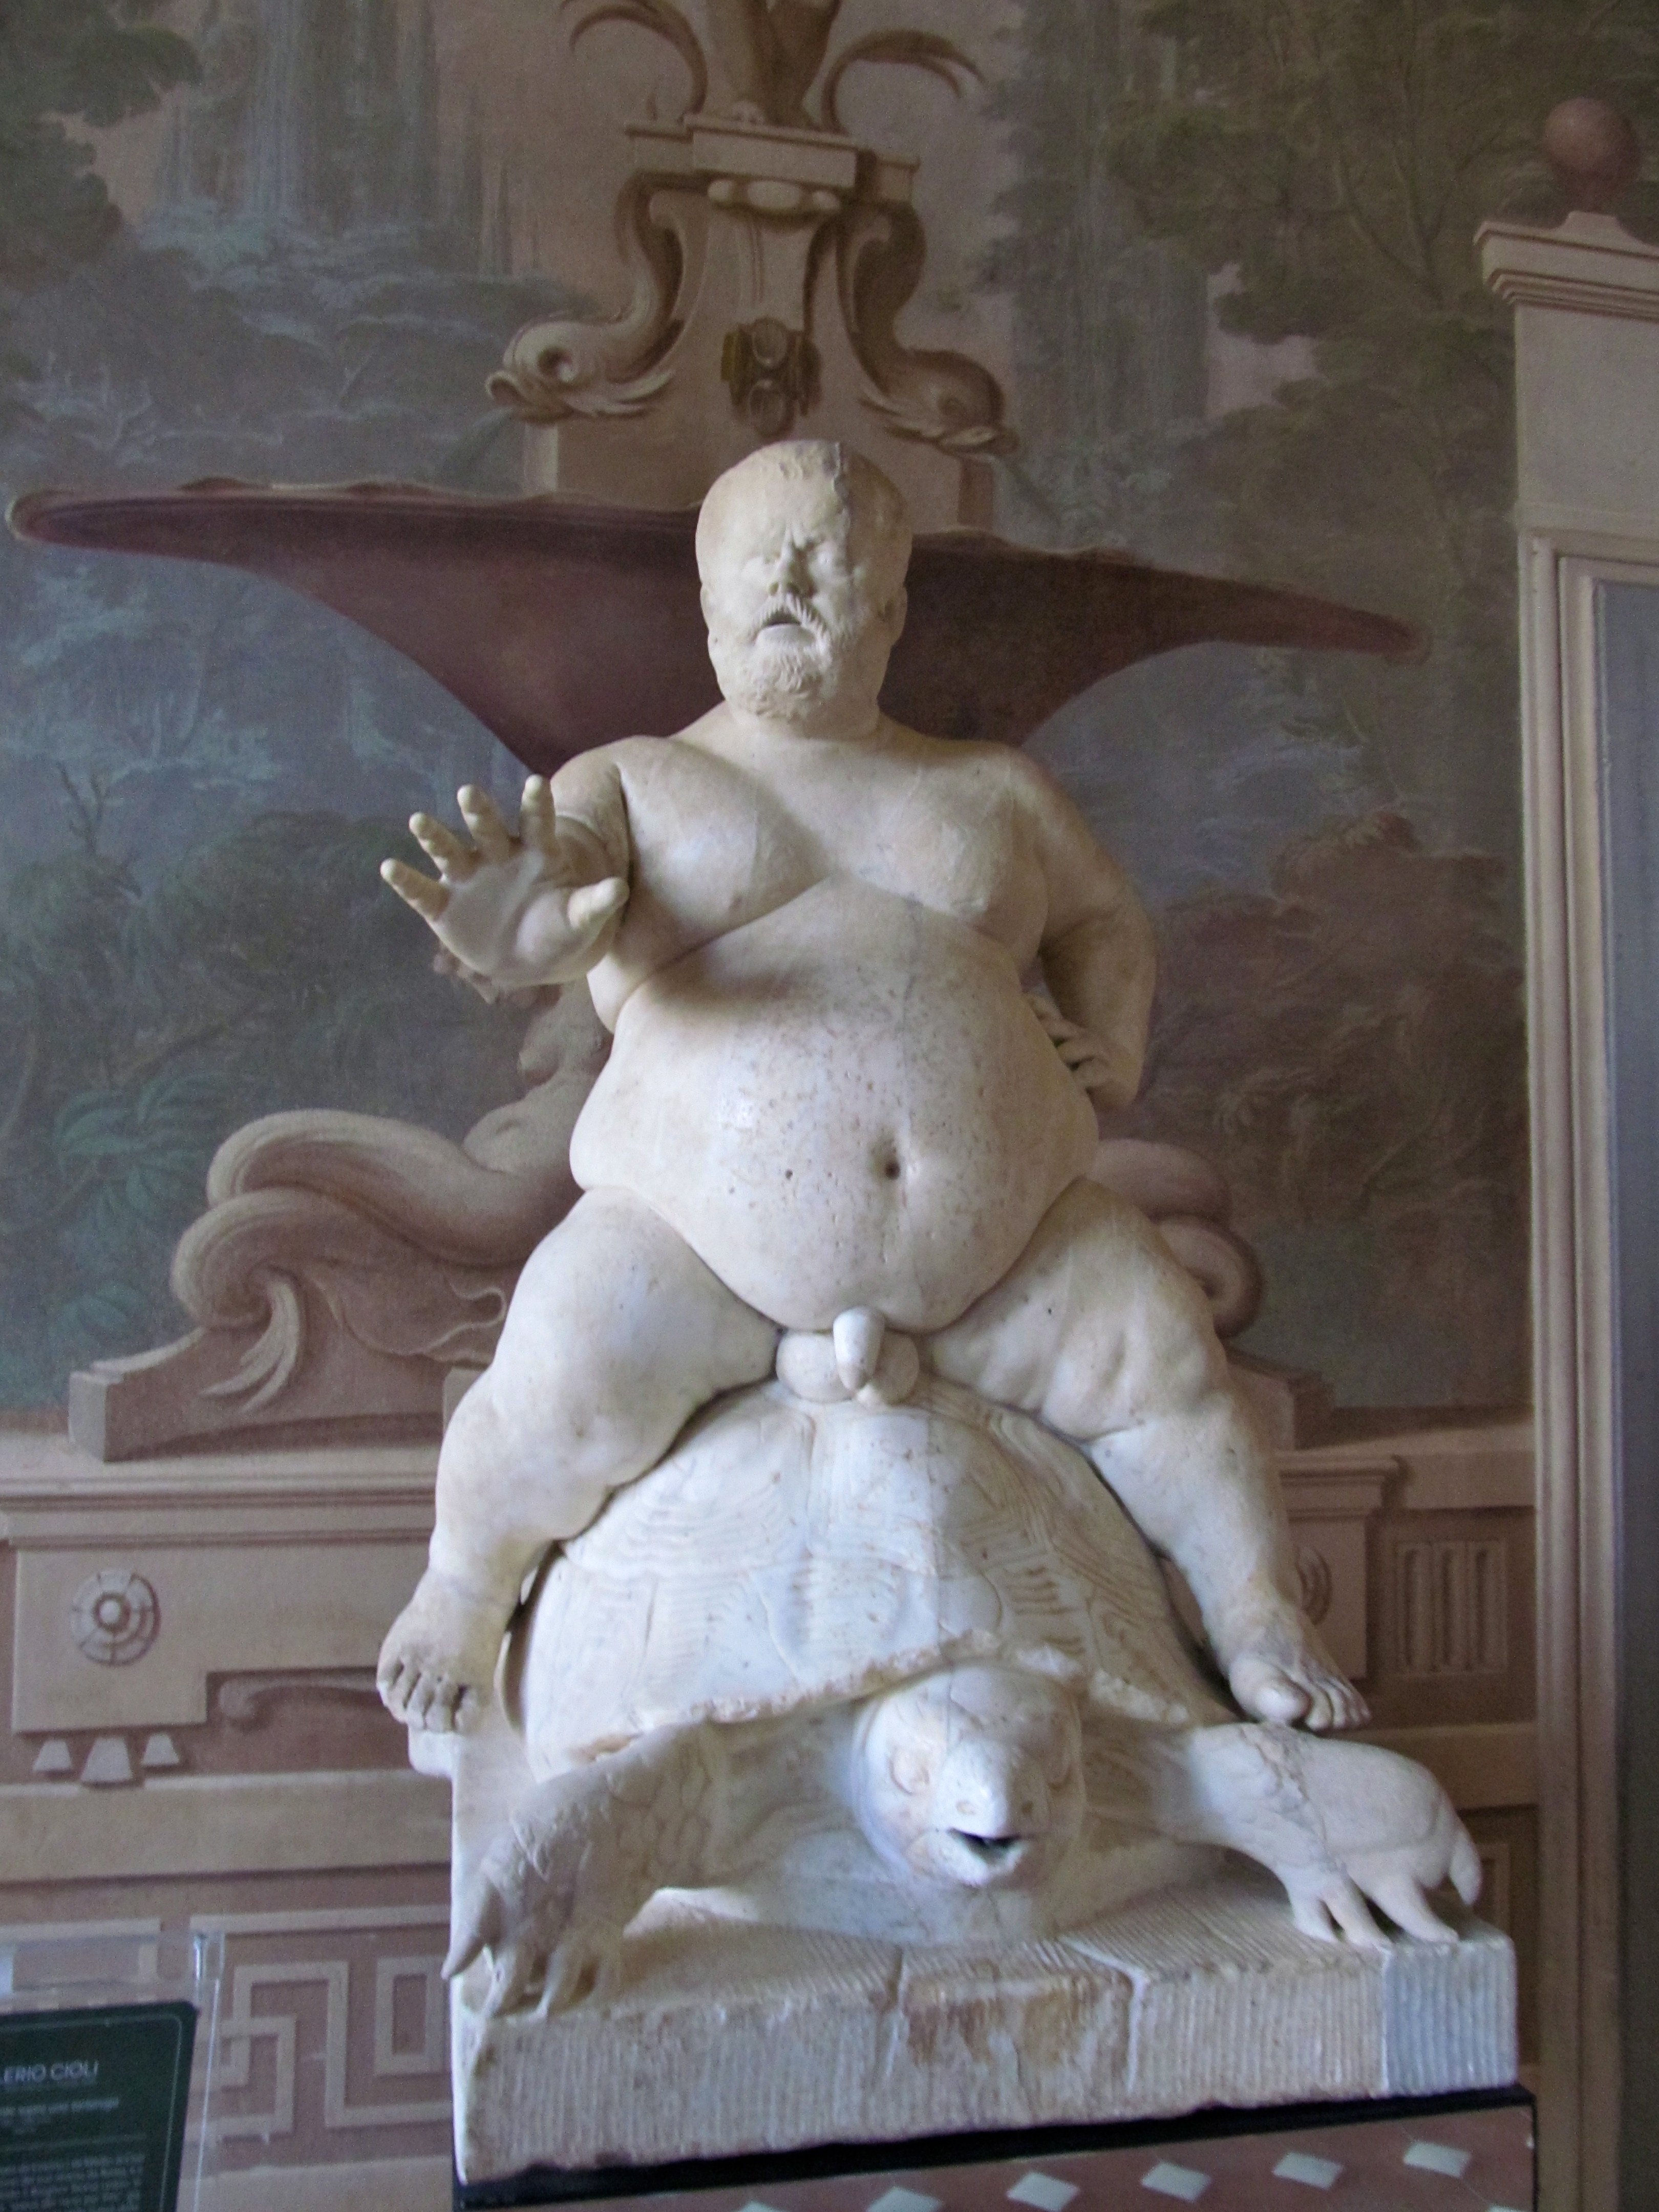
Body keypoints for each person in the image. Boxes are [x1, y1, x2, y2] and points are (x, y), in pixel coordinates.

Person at [376, 439, 1363, 1740]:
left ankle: (1257, 1614)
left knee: (1167, 1363)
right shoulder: (631, 782)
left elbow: (1105, 921)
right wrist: (516, 940)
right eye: (758, 560)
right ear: (707, 599)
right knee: (563, 1373)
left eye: (825, 562)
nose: (789, 582)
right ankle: (461, 1587)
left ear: (890, 608)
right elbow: (551, 910)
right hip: (690, 1246)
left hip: (1017, 1251)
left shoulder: (991, 790)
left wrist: (1110, 1048)